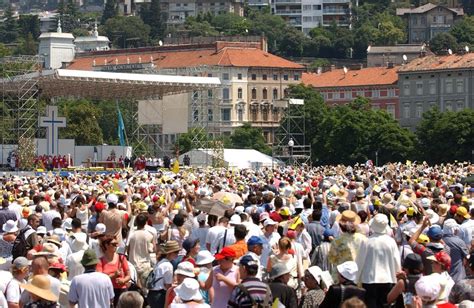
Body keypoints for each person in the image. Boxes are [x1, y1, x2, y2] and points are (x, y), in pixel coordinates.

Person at [356, 213, 401, 308]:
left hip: (369, 279)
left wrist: (356, 279)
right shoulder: (391, 242)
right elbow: (397, 261)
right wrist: (398, 277)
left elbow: (359, 261)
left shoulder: (366, 241)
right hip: (388, 278)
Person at [97, 235, 131, 307]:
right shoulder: (100, 261)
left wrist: (123, 280)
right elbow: (100, 279)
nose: (116, 246)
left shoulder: (122, 258)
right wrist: (113, 275)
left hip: (122, 290)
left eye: (117, 244)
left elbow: (128, 275)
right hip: (107, 292)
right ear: (106, 245)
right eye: (113, 244)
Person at [148, 241, 181, 308]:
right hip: (159, 296)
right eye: (176, 252)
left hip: (151, 294)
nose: (178, 254)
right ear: (171, 253)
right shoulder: (168, 265)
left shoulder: (160, 262)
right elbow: (167, 286)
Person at [126, 213, 154, 288]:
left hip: (133, 264)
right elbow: (152, 250)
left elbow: (127, 250)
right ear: (145, 223)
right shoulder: (149, 235)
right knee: (145, 287)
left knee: (134, 286)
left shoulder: (131, 235)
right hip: (145, 264)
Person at [442, 219, 469, 283]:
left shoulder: (440, 240)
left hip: (444, 278)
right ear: (453, 230)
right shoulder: (459, 242)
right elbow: (468, 256)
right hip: (458, 277)